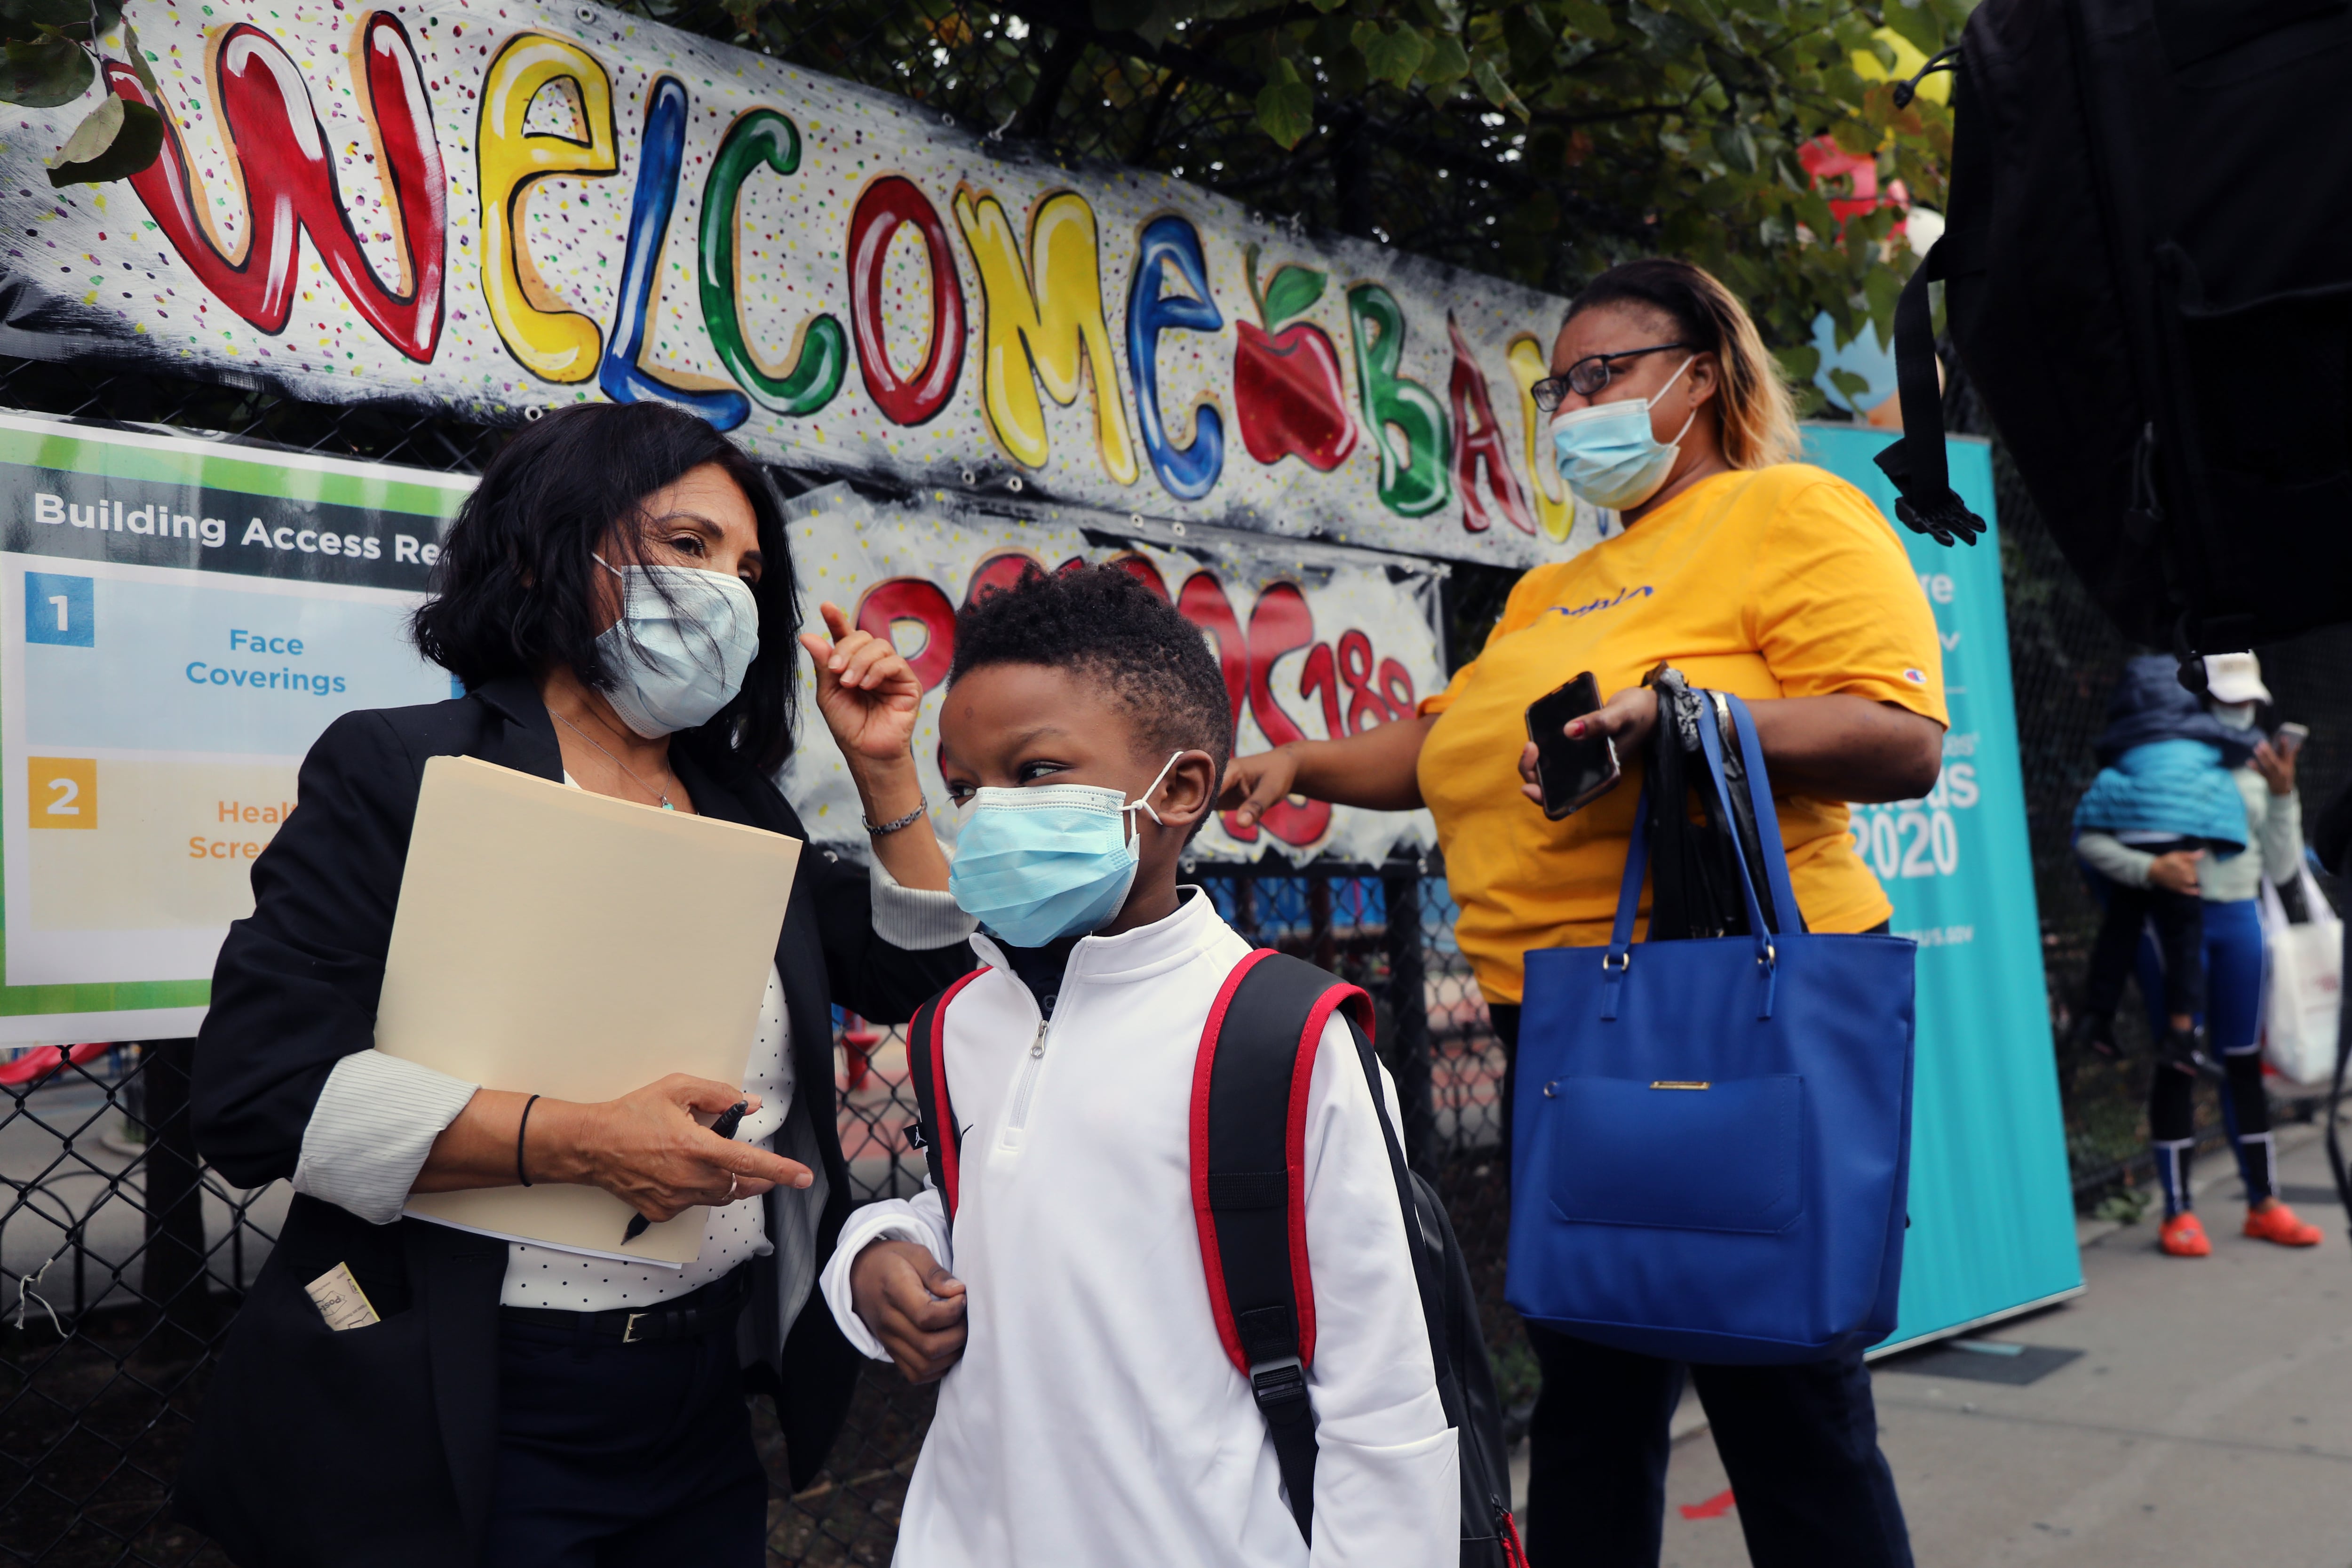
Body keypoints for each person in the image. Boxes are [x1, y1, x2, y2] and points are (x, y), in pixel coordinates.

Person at [1219, 257, 1945, 1568]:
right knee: (1594, 1400)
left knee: (1783, 1398)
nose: (1574, 406)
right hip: (1557, 1026)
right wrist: (1304, 763)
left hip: (1725, 1001)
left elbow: (1897, 737)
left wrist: (1677, 719)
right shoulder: (1556, 588)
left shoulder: (1793, 510)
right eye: (1560, 385)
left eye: (1606, 374)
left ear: (1702, 376)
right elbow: (1444, 745)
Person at [175, 403, 977, 1568]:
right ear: (549, 545)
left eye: (751, 568)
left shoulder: (741, 804)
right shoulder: (405, 768)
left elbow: (916, 971)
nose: (729, 591)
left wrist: (886, 768)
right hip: (472, 1401)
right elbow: (256, 1095)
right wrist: (574, 1140)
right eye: (689, 546)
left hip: (701, 1402)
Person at [818, 565, 1458, 1567]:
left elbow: (1383, 1406)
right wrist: (877, 1248)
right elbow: (983, 1204)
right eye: (964, 789)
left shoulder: (1282, 1038)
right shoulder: (957, 1021)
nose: (989, 816)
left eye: (1034, 774)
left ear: (1184, 789)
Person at [2075, 652, 2321, 1256]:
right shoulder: (2154, 756)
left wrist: (2284, 798)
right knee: (2177, 1058)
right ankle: (2176, 1212)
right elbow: (2090, 841)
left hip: (2240, 922)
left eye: (2246, 699)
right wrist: (2148, 868)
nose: (2237, 710)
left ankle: (2262, 1203)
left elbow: (2283, 867)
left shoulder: (2261, 767)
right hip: (2169, 924)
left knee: (2242, 1059)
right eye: (2224, 697)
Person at [2065, 652, 2255, 1075]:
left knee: (2120, 930)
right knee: (2184, 940)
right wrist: (2225, 837)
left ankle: (2097, 1016)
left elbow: (2089, 824)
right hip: (2178, 839)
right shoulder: (2199, 743)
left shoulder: (2127, 748)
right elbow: (2228, 780)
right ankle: (2182, 1036)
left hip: (2130, 834)